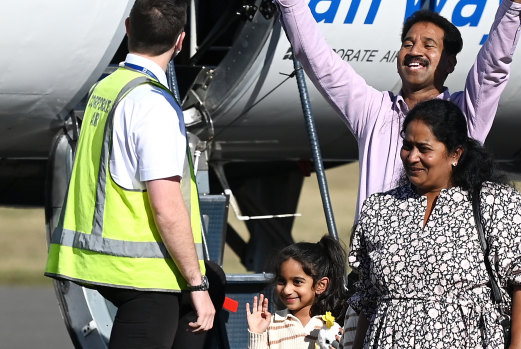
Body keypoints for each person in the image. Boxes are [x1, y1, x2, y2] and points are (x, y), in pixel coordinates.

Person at [44, 0, 216, 348]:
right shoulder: (153, 104)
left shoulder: (105, 90)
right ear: (181, 40)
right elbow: (166, 207)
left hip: (99, 261)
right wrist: (197, 285)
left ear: (127, 29)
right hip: (144, 274)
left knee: (218, 280)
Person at [275, 0, 521, 218]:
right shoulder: (373, 110)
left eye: (428, 45)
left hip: (439, 269)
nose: (414, 51)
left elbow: (492, 68)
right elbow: (317, 60)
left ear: (449, 63)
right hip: (372, 271)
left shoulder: (463, 116)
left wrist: (513, 6)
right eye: (408, 44)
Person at [348, 99, 521, 348]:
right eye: (407, 146)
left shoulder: (496, 202)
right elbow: (369, 300)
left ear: (455, 154)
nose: (412, 157)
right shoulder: (380, 209)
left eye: (424, 149)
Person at [246, 235, 348, 348]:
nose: (287, 290)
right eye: (282, 281)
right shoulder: (270, 325)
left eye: (297, 282)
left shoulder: (333, 327)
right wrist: (257, 333)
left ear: (321, 285)